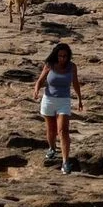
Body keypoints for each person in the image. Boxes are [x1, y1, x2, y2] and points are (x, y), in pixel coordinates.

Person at [32, 42, 84, 175]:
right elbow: (40, 80)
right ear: (56, 55)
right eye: (60, 56)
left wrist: (79, 99)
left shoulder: (72, 67)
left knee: (63, 130)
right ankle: (52, 148)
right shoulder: (49, 65)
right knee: (51, 129)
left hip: (64, 101)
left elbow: (75, 83)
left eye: (65, 56)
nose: (62, 59)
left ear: (68, 56)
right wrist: (36, 91)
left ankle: (65, 162)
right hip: (48, 100)